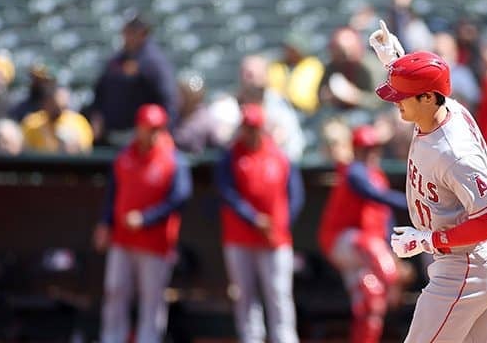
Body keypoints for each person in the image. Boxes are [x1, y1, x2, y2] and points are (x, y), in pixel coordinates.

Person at [369, 21, 487, 342]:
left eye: (403, 96)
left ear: (427, 98)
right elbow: (424, 83)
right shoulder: (437, 107)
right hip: (474, 260)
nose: (396, 101)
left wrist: (427, 241)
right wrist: (395, 61)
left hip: (468, 262)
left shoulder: (455, 152)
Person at [94, 104, 192, 343]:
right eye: (150, 128)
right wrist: (105, 223)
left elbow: (180, 197)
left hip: (155, 241)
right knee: (115, 291)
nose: (154, 133)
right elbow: (113, 194)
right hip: (122, 237)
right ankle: (112, 338)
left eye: (158, 128)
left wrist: (146, 218)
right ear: (139, 128)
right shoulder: (124, 156)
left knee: (152, 298)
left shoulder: (173, 159)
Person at [215, 103, 304, 343]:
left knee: (278, 293)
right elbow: (227, 193)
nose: (251, 132)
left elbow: (296, 195)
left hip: (275, 238)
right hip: (240, 236)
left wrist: (282, 223)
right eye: (247, 127)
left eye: (255, 127)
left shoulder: (279, 155)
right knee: (244, 293)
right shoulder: (231, 157)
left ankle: (284, 338)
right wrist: (253, 218)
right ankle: (251, 337)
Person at [318, 125, 407, 343]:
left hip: (365, 252)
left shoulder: (378, 175)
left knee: (372, 302)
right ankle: (391, 278)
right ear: (356, 150)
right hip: (342, 240)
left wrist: (392, 249)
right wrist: (410, 204)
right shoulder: (354, 171)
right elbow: (372, 194)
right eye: (365, 148)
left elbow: (386, 217)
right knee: (373, 248)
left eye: (373, 148)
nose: (370, 153)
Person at [88, 16, 179, 146]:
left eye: (132, 32)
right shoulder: (117, 59)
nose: (126, 37)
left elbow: (168, 99)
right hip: (110, 134)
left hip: (141, 138)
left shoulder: (154, 62)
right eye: (126, 32)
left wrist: (163, 132)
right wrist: (97, 116)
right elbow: (100, 91)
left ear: (143, 34)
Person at [21, 83, 94, 154]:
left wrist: (72, 143)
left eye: (62, 107)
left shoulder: (78, 122)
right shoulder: (33, 122)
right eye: (53, 105)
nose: (58, 110)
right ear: (45, 102)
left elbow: (86, 151)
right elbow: (23, 150)